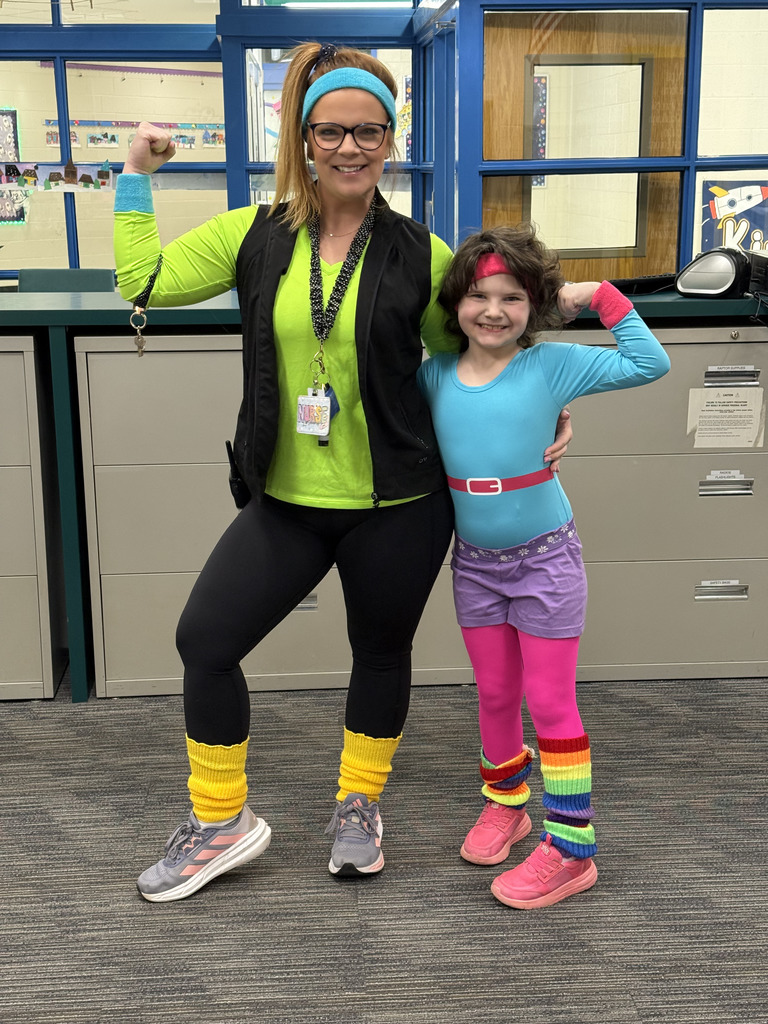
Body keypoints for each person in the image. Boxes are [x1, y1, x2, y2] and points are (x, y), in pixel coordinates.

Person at [114, 43, 572, 903]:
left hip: (399, 502)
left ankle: (359, 806)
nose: (351, 147)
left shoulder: (421, 253)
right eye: (332, 131)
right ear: (304, 137)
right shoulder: (252, 235)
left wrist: (541, 410)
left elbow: (479, 354)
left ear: (390, 141)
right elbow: (138, 278)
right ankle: (221, 821)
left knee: (380, 652)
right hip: (286, 499)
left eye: (369, 131)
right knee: (205, 642)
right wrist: (135, 172)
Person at [417, 225, 670, 909]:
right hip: (474, 563)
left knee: (550, 701)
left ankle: (572, 849)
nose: (493, 311)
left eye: (512, 297)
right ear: (455, 303)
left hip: (546, 560)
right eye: (478, 296)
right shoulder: (432, 373)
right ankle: (508, 803)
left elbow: (650, 363)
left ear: (536, 305)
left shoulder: (553, 363)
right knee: (495, 695)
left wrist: (597, 294)